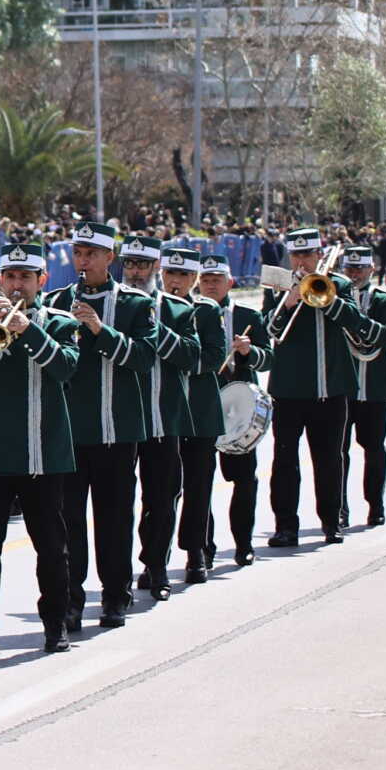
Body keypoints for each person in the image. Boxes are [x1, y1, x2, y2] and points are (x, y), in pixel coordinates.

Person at [0, 245, 80, 660]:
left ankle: (55, 625)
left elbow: (65, 368)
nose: (16, 285)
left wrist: (29, 330)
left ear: (41, 281)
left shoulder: (59, 322)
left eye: (25, 278)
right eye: (10, 277)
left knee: (51, 546)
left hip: (43, 452)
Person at [45, 219, 154, 629]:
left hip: (117, 430)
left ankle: (114, 595)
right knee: (67, 520)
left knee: (114, 519)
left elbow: (144, 358)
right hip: (69, 432)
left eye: (92, 254)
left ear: (111, 258)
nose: (83, 260)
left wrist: (99, 329)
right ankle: (71, 599)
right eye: (79, 253)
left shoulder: (134, 304)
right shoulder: (56, 300)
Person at [262, 226, 364, 548]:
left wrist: (328, 298)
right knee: (284, 460)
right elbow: (270, 329)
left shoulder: (340, 284)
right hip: (289, 390)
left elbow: (354, 321)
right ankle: (285, 526)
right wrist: (290, 301)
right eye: (296, 254)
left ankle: (331, 523)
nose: (302, 261)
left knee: (330, 459)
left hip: (330, 389)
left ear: (320, 254)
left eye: (308, 254)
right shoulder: (277, 286)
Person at [125, 237, 198, 600]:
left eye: (143, 265)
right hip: (122, 422)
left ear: (156, 267)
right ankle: (126, 569)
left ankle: (156, 565)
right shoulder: (118, 307)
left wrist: (155, 327)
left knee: (163, 496)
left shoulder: (178, 309)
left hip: (163, 419)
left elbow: (192, 357)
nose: (136, 272)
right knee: (121, 502)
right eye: (130, 265)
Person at [201, 255, 270, 568]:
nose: (211, 284)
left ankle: (243, 543)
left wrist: (248, 352)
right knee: (199, 483)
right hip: (202, 408)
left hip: (238, 410)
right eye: (206, 279)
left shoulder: (249, 315)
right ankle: (203, 548)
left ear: (230, 282)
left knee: (244, 480)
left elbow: (268, 358)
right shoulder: (191, 313)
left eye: (217, 279)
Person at [171, 241, 228, 586]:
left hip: (201, 413)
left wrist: (177, 352)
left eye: (182, 274)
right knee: (161, 493)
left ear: (193, 277)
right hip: (165, 415)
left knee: (198, 488)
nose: (175, 280)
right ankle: (155, 560)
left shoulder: (206, 311)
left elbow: (212, 358)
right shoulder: (154, 307)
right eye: (170, 273)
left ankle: (196, 553)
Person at [337, 246, 386, 532]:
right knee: (337, 451)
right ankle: (339, 508)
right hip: (343, 386)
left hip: (374, 385)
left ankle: (376, 505)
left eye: (360, 269)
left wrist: (357, 321)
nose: (354, 274)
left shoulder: (385, 300)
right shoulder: (335, 299)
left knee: (373, 447)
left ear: (371, 270)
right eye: (350, 269)